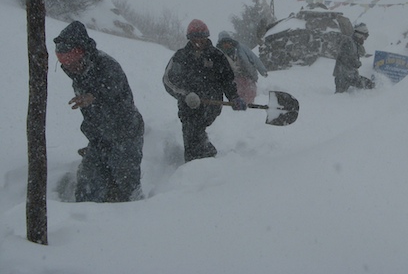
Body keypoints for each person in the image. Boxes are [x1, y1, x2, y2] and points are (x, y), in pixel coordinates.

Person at [54, 21, 144, 202]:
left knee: (125, 191)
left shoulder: (107, 65)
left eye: (74, 63)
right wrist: (94, 139)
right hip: (100, 140)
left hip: (126, 135)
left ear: (83, 53)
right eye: (66, 65)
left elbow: (114, 91)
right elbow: (93, 116)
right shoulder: (78, 76)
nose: (71, 69)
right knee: (87, 188)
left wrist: (94, 96)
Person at [163, 19, 247, 162]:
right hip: (188, 105)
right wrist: (186, 95)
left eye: (202, 38)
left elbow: (227, 80)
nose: (199, 42)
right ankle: (196, 164)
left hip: (212, 104)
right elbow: (168, 80)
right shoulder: (181, 56)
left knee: (197, 131)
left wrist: (234, 97)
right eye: (195, 38)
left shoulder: (217, 57)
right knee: (192, 131)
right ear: (189, 38)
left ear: (207, 37)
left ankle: (204, 156)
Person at [216, 31, 268, 104]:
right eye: (224, 43)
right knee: (238, 95)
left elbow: (254, 58)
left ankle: (251, 107)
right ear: (220, 44)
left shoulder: (241, 48)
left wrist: (262, 70)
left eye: (228, 42)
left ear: (231, 42)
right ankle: (242, 110)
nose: (226, 44)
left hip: (248, 75)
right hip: (234, 79)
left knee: (251, 93)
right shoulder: (219, 54)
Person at [333, 22, 375, 93]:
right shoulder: (348, 42)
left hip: (351, 75)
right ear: (359, 35)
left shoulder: (355, 44)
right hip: (343, 76)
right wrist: (355, 62)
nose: (365, 39)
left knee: (369, 84)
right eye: (365, 36)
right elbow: (343, 57)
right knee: (340, 96)